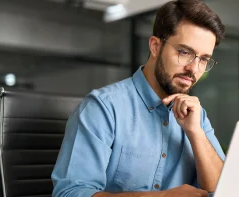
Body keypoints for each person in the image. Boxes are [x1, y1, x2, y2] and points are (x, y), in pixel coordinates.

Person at [51, 0, 226, 196]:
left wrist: (196, 133)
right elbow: (70, 193)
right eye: (185, 52)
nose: (194, 69)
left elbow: (224, 190)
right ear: (155, 46)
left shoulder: (197, 117)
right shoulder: (103, 108)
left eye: (203, 59)